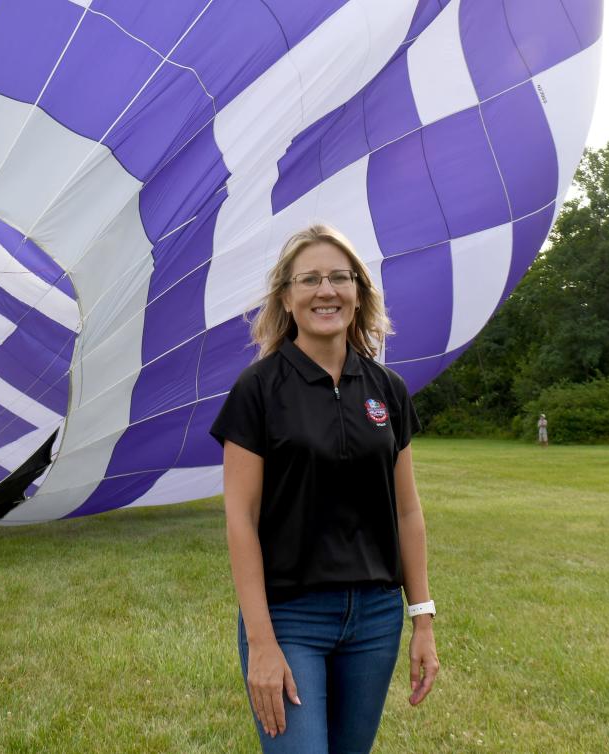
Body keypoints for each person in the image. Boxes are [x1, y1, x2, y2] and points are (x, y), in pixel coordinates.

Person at [210, 225, 439, 753]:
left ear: (358, 294)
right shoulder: (258, 389)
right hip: (290, 617)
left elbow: (407, 513)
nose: (326, 290)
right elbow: (240, 520)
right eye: (309, 279)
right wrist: (261, 642)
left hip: (375, 620)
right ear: (287, 298)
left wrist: (421, 619)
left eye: (340, 277)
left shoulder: (387, 390)